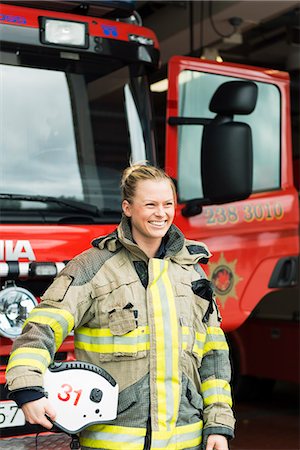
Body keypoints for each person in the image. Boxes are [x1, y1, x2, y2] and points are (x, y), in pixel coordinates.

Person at [6, 164, 235, 450]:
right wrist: (28, 389)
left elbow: (214, 357)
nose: (161, 213)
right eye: (150, 204)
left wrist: (218, 425)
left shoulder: (192, 273)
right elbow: (40, 329)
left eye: (168, 204)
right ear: (127, 207)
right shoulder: (92, 267)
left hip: (185, 442)